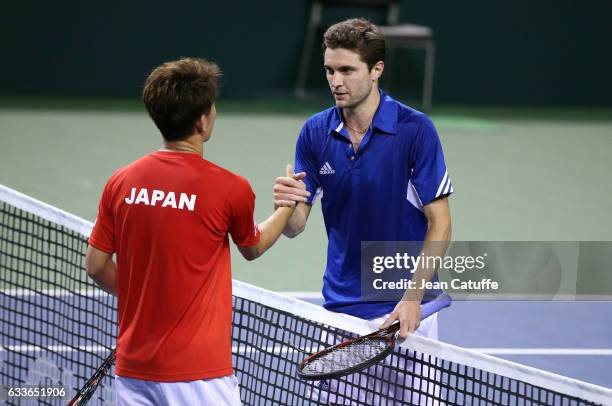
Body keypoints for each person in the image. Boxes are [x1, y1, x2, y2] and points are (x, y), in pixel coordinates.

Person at [85, 58, 307, 405]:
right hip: (200, 375)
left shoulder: (121, 182)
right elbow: (253, 246)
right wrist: (286, 206)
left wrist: (147, 305)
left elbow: (97, 266)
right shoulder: (230, 188)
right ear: (203, 121)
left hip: (134, 368)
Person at [274, 18, 453, 403]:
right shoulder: (314, 133)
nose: (335, 81)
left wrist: (412, 298)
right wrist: (288, 205)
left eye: (347, 70)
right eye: (329, 70)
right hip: (341, 313)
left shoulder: (415, 130)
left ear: (376, 71)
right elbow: (296, 227)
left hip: (406, 313)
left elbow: (441, 224)